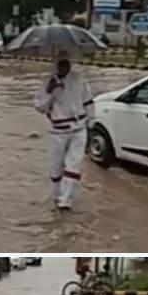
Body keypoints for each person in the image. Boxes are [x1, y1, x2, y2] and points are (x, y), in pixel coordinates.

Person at [33, 53, 95, 211]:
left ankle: (65, 200)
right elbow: (40, 107)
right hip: (58, 131)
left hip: (79, 128)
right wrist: (50, 92)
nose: (64, 67)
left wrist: (91, 121)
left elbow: (88, 101)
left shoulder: (78, 79)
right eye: (61, 64)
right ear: (56, 65)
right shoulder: (48, 82)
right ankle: (57, 195)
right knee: (56, 166)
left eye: (66, 63)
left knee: (73, 164)